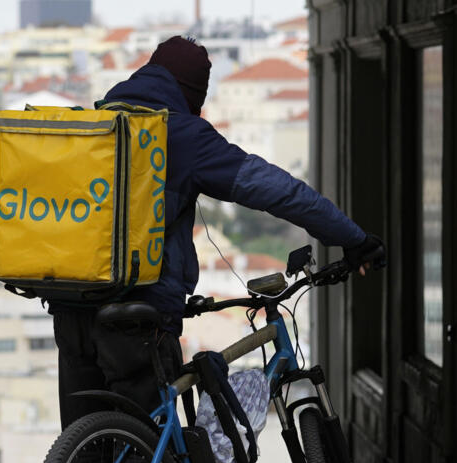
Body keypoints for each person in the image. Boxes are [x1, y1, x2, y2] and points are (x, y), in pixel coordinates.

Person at [49, 36, 386, 430]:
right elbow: (279, 191)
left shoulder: (93, 126)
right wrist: (353, 238)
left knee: (84, 454)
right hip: (136, 320)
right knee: (141, 461)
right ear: (192, 96)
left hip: (69, 309)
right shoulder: (182, 134)